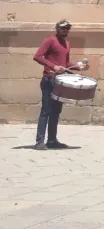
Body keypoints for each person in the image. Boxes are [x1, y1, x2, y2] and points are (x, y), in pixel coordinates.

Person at [32, 20, 75, 150]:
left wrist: (78, 67)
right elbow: (38, 56)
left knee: (56, 112)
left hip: (60, 81)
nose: (65, 30)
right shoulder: (50, 40)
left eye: (67, 28)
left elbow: (66, 63)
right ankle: (39, 142)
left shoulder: (67, 44)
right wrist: (53, 66)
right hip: (49, 80)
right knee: (46, 111)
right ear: (57, 28)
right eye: (63, 28)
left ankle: (51, 140)